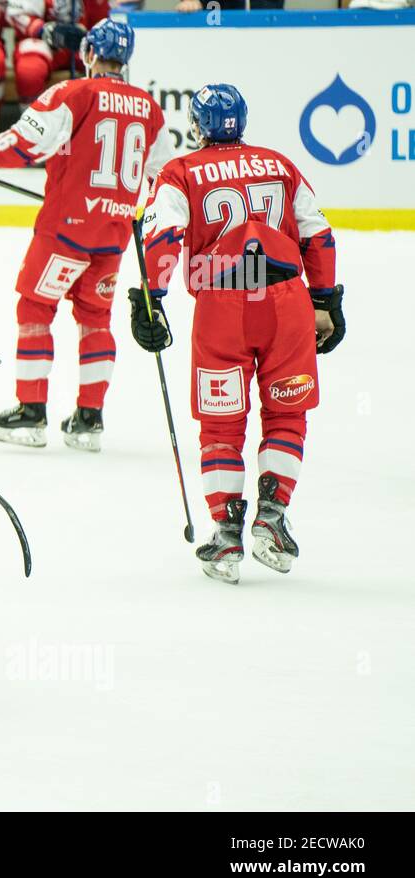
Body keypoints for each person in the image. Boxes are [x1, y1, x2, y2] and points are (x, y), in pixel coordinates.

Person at [0, 18, 170, 452]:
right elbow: (161, 177)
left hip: (65, 232)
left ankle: (31, 411)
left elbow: (25, 144)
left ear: (90, 53)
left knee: (36, 307)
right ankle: (89, 419)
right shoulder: (151, 110)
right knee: (95, 319)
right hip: (112, 236)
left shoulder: (73, 93)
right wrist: (129, 206)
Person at [134, 83, 344, 583]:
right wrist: (326, 299)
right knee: (286, 412)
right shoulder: (279, 164)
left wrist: (150, 300)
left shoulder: (182, 171)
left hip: (222, 305)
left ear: (198, 126)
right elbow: (318, 233)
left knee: (221, 422)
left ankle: (227, 534)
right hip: (288, 302)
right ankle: (272, 518)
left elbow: (163, 236)